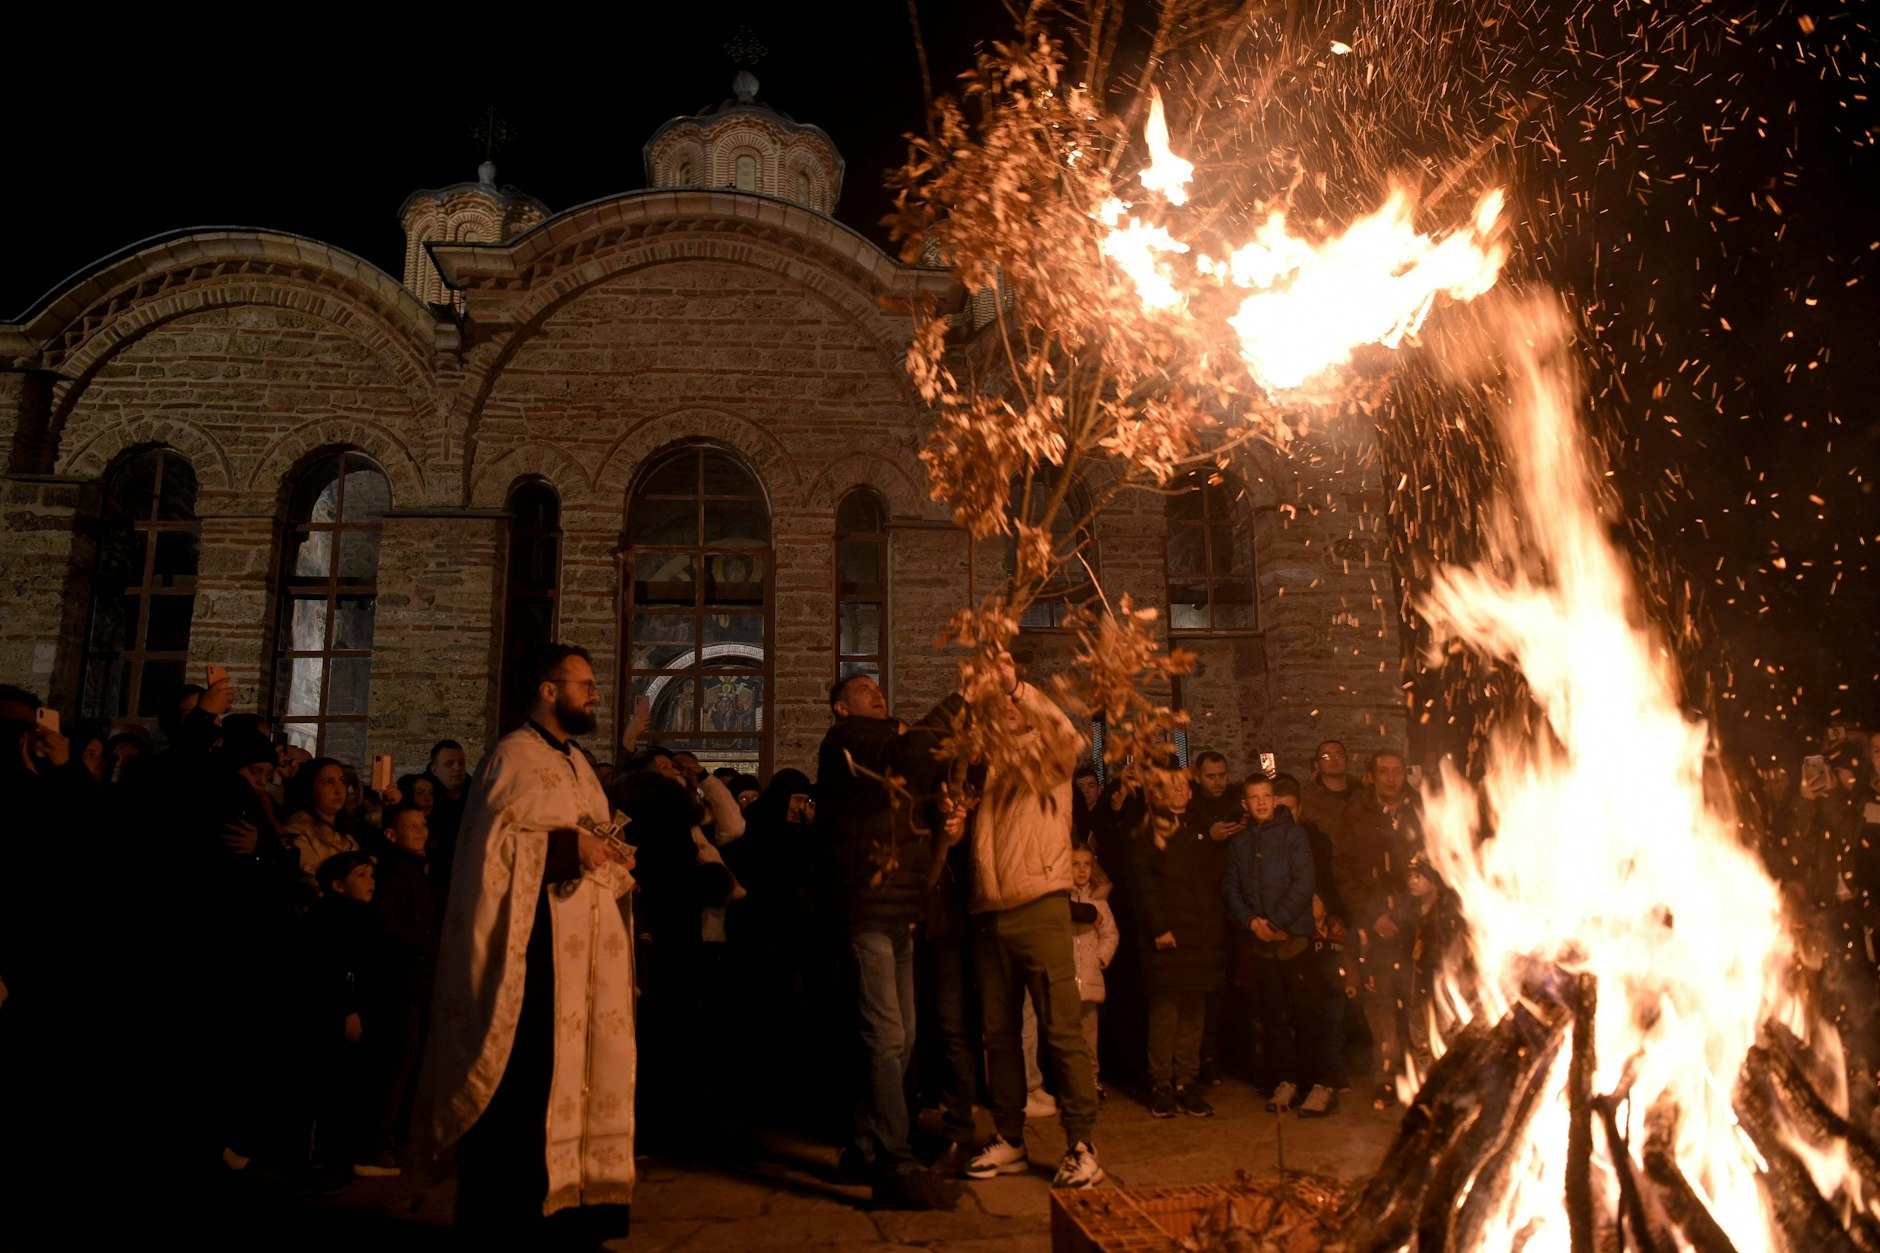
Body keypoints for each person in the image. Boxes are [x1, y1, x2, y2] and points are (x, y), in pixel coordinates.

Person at [418, 643, 637, 1244]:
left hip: (586, 959)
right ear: (548, 689)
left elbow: (587, 839)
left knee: (585, 1075)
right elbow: (488, 854)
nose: (594, 693)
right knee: (527, 1087)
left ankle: (577, 1215)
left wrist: (608, 854)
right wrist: (568, 848)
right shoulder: (510, 758)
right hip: (532, 959)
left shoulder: (581, 764)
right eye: (585, 684)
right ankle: (512, 1225)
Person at [817, 673, 964, 1210]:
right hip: (865, 909)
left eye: (878, 686)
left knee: (900, 1039)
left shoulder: (887, 750)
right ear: (840, 707)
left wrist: (948, 820)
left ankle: (862, 1146)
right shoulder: (849, 742)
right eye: (861, 687)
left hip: (898, 910)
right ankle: (893, 1163)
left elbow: (918, 808)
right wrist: (959, 700)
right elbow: (904, 753)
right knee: (884, 1035)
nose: (876, 691)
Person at [961, 657, 1105, 1189]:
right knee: (997, 1034)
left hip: (1040, 903)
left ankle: (1082, 1144)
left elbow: (1063, 728)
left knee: (1059, 1026)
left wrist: (1017, 685)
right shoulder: (987, 770)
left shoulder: (1049, 757)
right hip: (990, 912)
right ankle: (1010, 1138)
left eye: (1013, 709)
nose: (1007, 714)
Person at [1224, 776, 1327, 1116]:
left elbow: (1303, 882)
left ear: (1275, 799)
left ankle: (1318, 1084)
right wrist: (1253, 923)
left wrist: (1277, 922)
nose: (1262, 803)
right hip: (1262, 945)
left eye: (1266, 796)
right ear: (1245, 804)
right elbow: (1231, 886)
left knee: (1306, 1013)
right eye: (1254, 798)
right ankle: (1287, 1080)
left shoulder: (1293, 835)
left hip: (1293, 939)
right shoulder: (1239, 844)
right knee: (1274, 1015)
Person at [1130, 772, 1228, 1120]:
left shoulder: (1198, 829)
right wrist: (1159, 927)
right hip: (1170, 935)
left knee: (1194, 1014)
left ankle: (1187, 1082)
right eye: (1170, 786)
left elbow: (1212, 882)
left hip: (1201, 937)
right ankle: (1162, 1084)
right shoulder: (1149, 831)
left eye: (1183, 786)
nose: (1178, 791)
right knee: (1166, 1013)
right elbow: (1145, 884)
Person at [1334, 749, 1425, 1105]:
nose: (1391, 778)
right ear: (1371, 775)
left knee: (1417, 998)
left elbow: (1438, 860)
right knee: (1382, 1001)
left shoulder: (1421, 810)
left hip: (1416, 923)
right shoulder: (1356, 814)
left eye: (1397, 771)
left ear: (1406, 773)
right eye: (1383, 771)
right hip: (1377, 925)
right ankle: (1386, 1074)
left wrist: (1424, 906)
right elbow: (1344, 870)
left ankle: (1420, 1071)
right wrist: (1373, 916)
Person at [1273, 773, 1351, 1097]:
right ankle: (1298, 1077)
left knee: (1329, 1005)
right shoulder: (1265, 844)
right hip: (1288, 935)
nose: (1283, 817)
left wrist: (1331, 909)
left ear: (1300, 809)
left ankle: (1328, 1073)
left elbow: (1329, 881)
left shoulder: (1317, 840)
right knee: (1293, 1010)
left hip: (1321, 933)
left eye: (1288, 809)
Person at [1069, 847, 1119, 1094]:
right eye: (1075, 864)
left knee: (1089, 1034)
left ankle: (1091, 1079)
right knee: (1067, 1035)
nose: (1081, 869)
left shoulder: (1098, 901)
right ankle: (1070, 1083)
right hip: (1067, 976)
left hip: (1089, 977)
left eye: (1086, 864)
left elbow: (1110, 934)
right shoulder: (1063, 901)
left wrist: (1099, 959)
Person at [284, 758, 358, 895]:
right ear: (309, 786)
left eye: (342, 781)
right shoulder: (297, 832)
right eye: (328, 782)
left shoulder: (348, 833)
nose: (338, 789)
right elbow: (313, 881)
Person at [422, 739, 471, 892]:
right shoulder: (425, 798)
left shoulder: (475, 792)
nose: (457, 768)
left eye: (461, 763)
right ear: (435, 770)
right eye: (449, 764)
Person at [1297, 740, 1356, 835]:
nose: (1333, 759)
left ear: (1347, 761)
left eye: (1338, 755)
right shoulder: (1307, 799)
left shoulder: (1364, 794)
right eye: (1326, 756)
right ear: (1317, 765)